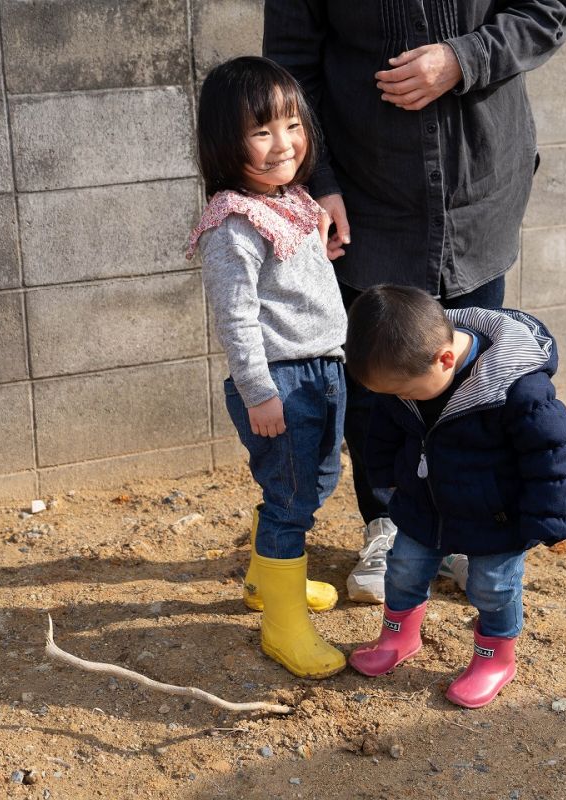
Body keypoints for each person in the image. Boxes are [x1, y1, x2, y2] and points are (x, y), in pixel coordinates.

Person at [264, 1, 566, 603]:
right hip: (364, 192)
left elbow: (551, 7)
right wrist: (319, 180)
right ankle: (387, 522)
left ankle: (473, 530)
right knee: (377, 376)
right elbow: (291, 66)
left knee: (475, 376)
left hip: (479, 185)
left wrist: (465, 58)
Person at [185, 57, 347, 679]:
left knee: (315, 482)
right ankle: (281, 624)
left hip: (323, 372)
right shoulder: (233, 223)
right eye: (261, 132)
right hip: (281, 383)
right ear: (227, 142)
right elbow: (237, 319)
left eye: (292, 125)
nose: (284, 144)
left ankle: (268, 578)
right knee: (290, 500)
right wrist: (259, 392)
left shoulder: (291, 200)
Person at [343, 285, 566, 708]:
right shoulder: (407, 375)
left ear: (445, 359)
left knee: (492, 586)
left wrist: (554, 522)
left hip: (496, 517)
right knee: (403, 569)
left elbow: (551, 456)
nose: (400, 400)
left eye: (406, 393)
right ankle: (399, 639)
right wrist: (385, 476)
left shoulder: (517, 389)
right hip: (425, 504)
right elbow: (383, 429)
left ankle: (495, 659)